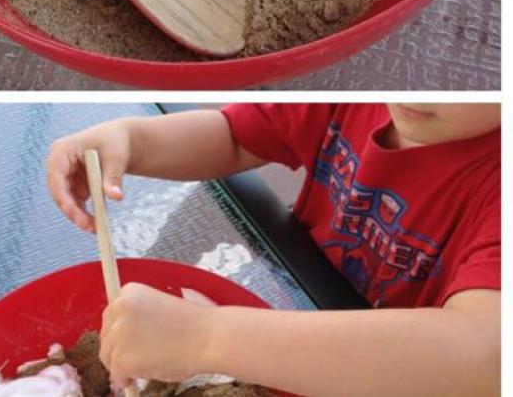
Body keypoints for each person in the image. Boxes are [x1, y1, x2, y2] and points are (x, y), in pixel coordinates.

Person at [47, 104, 498, 396]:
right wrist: (132, 140)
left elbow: (484, 358)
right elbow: (238, 137)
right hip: (299, 301)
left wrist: (205, 337)